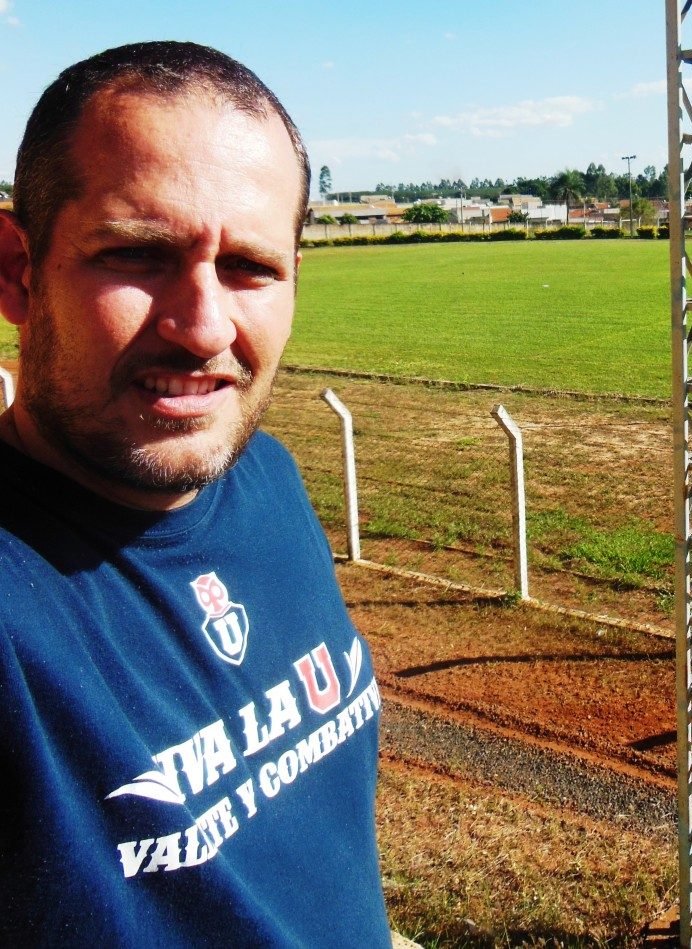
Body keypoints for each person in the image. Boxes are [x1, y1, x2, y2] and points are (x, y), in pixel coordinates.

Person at [0, 42, 391, 946]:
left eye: (250, 266)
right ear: (17, 270)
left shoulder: (270, 483)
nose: (205, 324)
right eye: (137, 254)